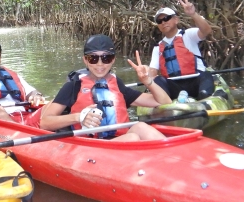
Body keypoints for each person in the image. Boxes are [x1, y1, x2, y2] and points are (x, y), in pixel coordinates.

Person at [40, 34, 169, 141]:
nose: (100, 64)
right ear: (85, 60)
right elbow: (45, 122)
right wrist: (79, 117)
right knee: (133, 137)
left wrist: (147, 81)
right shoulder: (73, 86)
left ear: (113, 60)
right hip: (90, 147)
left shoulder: (117, 84)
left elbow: (163, 102)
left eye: (106, 58)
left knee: (141, 127)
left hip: (120, 140)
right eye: (93, 58)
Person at [148, 0, 215, 100]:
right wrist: (147, 80)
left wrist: (193, 14)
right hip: (174, 86)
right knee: (158, 80)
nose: (163, 22)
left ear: (176, 20)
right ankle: (165, 102)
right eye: (159, 21)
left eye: (166, 18)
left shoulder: (188, 35)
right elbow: (152, 71)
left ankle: (205, 97)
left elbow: (207, 31)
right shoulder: (158, 47)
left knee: (206, 75)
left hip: (196, 81)